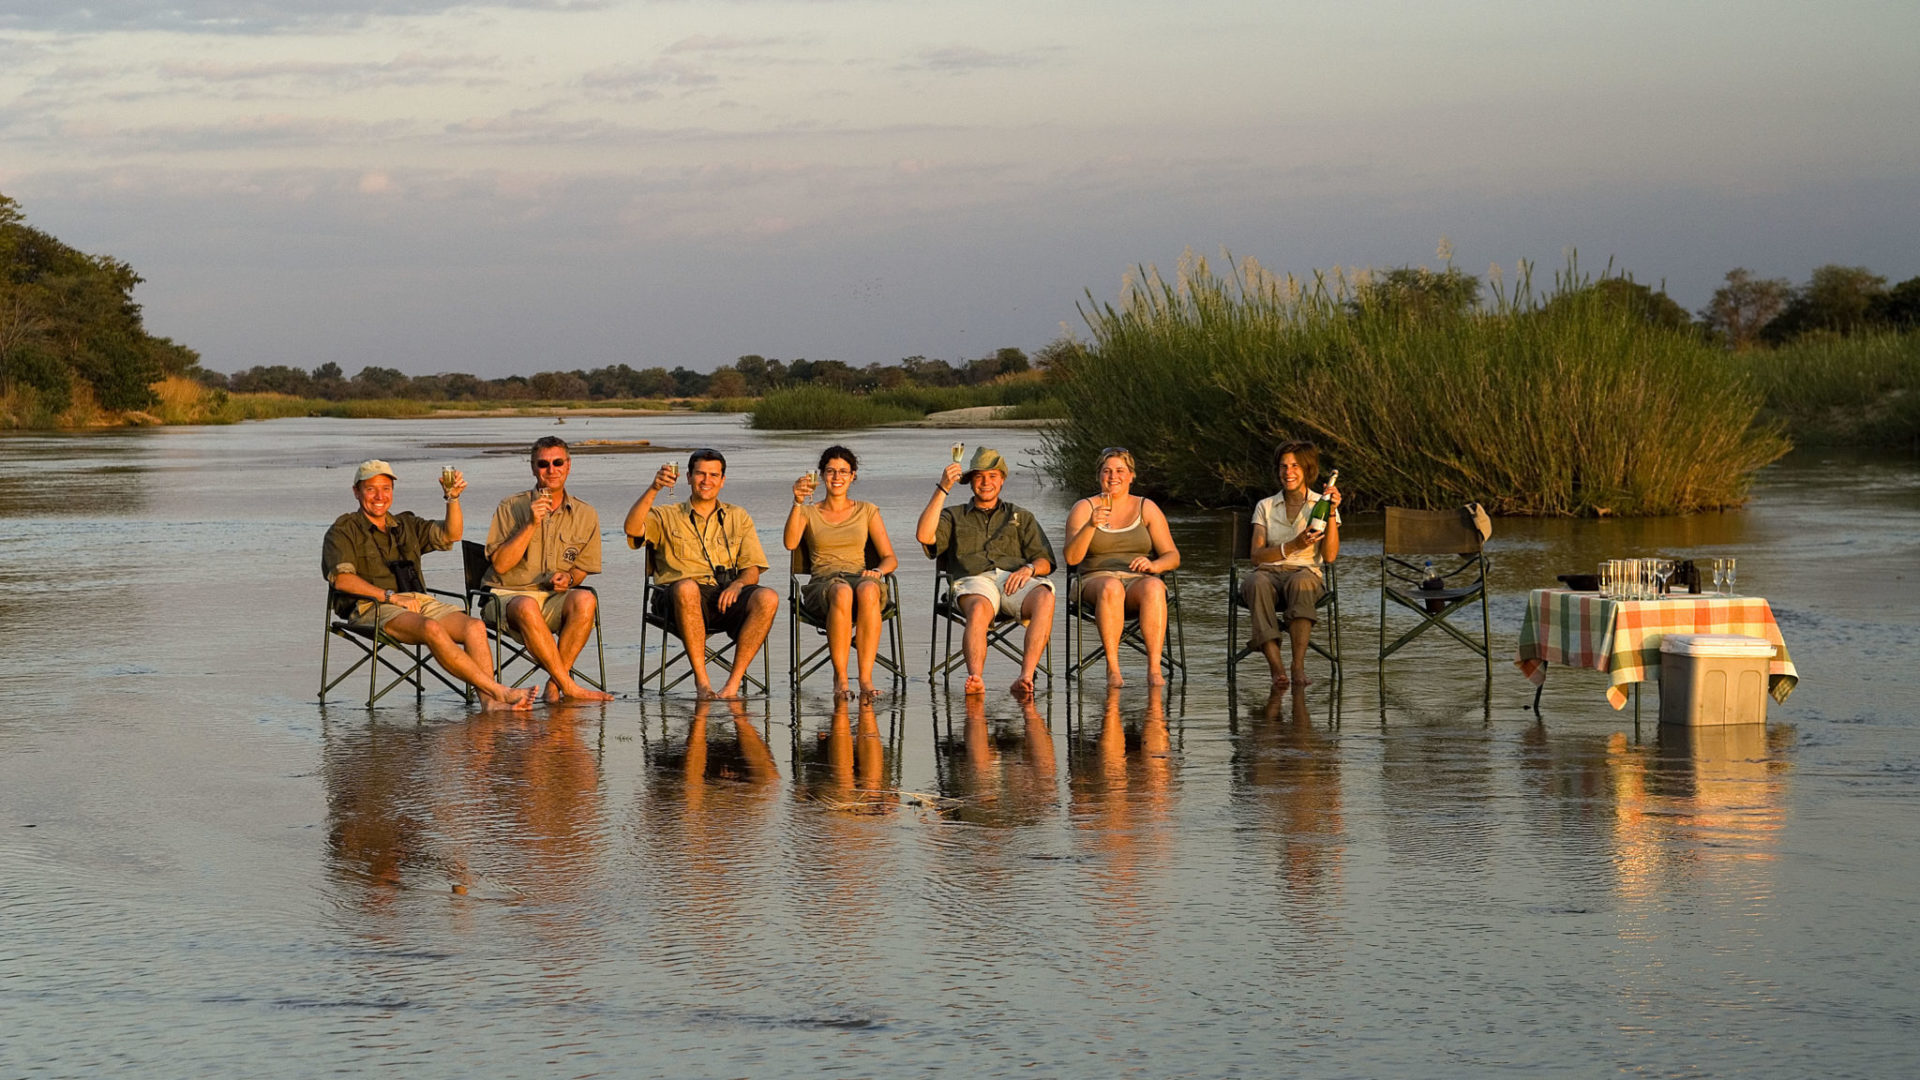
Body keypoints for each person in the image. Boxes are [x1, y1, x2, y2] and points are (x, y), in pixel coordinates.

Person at [322, 459, 533, 711]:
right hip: (372, 606)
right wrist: (389, 597)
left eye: (386, 489)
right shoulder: (344, 529)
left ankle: (489, 703)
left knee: (474, 626)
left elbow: (450, 535)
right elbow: (341, 579)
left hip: (417, 601)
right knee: (431, 628)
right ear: (356, 492)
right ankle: (498, 690)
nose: (379, 496)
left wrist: (452, 499)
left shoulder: (406, 524)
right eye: (370, 489)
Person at [623, 448, 778, 699]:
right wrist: (654, 489)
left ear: (723, 480)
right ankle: (703, 683)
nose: (707, 481)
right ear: (688, 477)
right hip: (674, 598)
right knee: (687, 588)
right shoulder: (666, 515)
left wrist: (738, 585)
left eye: (714, 475)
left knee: (768, 597)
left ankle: (732, 685)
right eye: (700, 474)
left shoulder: (738, 516)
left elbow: (752, 567)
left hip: (724, 594)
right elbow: (631, 527)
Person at [916, 446, 1057, 697]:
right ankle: (976, 678)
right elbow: (924, 536)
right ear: (969, 481)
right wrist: (943, 488)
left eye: (992, 476)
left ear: (1002, 479)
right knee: (980, 607)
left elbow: (1046, 560)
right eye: (979, 476)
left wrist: (1030, 568)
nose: (986, 482)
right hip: (972, 581)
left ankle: (1026, 676)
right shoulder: (953, 515)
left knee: (1045, 596)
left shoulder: (1021, 516)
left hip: (1014, 580)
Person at [482, 436, 614, 703]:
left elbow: (581, 570)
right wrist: (530, 524)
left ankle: (554, 686)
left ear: (568, 465)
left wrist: (569, 578)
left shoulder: (586, 513)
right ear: (533, 468)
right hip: (505, 597)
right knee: (527, 606)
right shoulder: (510, 506)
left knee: (586, 598)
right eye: (543, 464)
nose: (551, 470)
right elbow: (501, 565)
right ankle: (569, 685)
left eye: (557, 463)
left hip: (552, 598)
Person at [782, 445, 899, 701]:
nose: (837, 477)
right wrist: (797, 502)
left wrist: (878, 571)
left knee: (868, 588)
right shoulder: (808, 511)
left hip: (860, 577)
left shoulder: (867, 510)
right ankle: (841, 677)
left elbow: (890, 558)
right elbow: (790, 543)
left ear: (853, 475)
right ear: (822, 475)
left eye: (843, 471)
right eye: (831, 471)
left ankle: (865, 678)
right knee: (842, 591)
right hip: (823, 583)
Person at [1061, 447, 1181, 686]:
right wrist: (1090, 526)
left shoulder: (1146, 507)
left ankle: (1154, 670)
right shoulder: (1084, 508)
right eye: (1107, 471)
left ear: (1131, 476)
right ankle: (1113, 669)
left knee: (1155, 588)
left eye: (1119, 471)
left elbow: (1172, 556)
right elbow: (1072, 559)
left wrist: (1154, 564)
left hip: (1136, 579)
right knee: (1111, 587)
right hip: (1094, 580)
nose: (1113, 476)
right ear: (1099, 476)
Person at [1242, 439, 1342, 687]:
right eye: (1283, 466)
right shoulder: (1265, 506)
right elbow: (1256, 556)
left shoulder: (1323, 503)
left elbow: (1329, 557)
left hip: (1306, 572)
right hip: (1269, 573)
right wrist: (1294, 545)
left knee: (1302, 583)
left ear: (1307, 469)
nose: (1288, 472)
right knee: (1256, 582)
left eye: (1295, 466)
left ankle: (1297, 666)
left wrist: (1330, 512)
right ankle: (1277, 669)